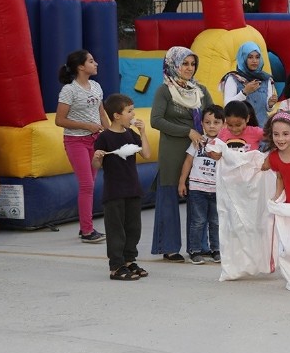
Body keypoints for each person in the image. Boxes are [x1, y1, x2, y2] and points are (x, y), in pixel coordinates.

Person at [150, 46, 213, 263]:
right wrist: (187, 131)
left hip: (199, 154)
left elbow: (213, 116)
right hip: (172, 152)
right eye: (185, 63)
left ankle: (200, 246)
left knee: (200, 198)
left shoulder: (201, 90)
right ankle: (169, 247)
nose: (189, 68)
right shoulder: (164, 90)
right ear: (173, 65)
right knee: (169, 198)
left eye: (192, 64)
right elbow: (155, 120)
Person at [92, 94, 151, 281]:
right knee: (116, 229)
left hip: (133, 188)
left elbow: (147, 155)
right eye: (129, 111)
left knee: (133, 228)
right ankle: (116, 266)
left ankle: (129, 260)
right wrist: (97, 157)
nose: (133, 114)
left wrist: (142, 133)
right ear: (117, 115)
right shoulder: (105, 138)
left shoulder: (131, 134)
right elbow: (95, 166)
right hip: (114, 192)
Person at [55, 50, 109, 243]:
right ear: (80, 66)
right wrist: (87, 126)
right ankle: (87, 230)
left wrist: (110, 134)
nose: (96, 64)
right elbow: (60, 120)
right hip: (76, 141)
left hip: (94, 141)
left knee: (91, 184)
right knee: (86, 184)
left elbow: (102, 113)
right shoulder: (69, 90)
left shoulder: (96, 86)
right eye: (91, 61)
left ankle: (85, 226)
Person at [178, 105, 225, 266]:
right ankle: (195, 251)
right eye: (208, 122)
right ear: (202, 124)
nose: (212, 125)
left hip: (217, 189)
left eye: (216, 122)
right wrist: (182, 182)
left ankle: (216, 250)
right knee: (198, 221)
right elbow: (188, 161)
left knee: (216, 221)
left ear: (223, 124)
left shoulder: (223, 145)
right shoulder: (198, 142)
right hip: (197, 188)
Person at [221, 41, 277, 128]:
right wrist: (244, 92)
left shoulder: (266, 79)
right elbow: (227, 105)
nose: (254, 61)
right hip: (240, 130)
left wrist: (270, 104)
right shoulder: (233, 78)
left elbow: (267, 108)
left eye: (257, 57)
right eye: (250, 57)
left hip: (262, 130)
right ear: (243, 58)